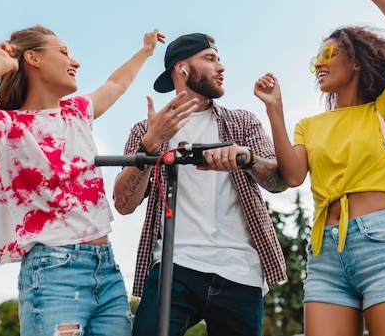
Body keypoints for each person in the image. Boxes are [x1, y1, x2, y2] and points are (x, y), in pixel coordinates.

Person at [0, 25, 165, 336]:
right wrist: (1, 64)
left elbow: (116, 83)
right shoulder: (6, 127)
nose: (76, 62)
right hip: (55, 271)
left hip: (107, 269)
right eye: (64, 52)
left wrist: (146, 50)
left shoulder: (78, 112)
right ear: (33, 58)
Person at [254, 0, 385, 336]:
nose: (319, 63)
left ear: (355, 61)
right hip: (325, 251)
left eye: (329, 54)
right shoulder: (309, 125)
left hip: (382, 242)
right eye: (316, 58)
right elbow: (293, 176)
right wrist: (275, 110)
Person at [113, 33, 289, 336]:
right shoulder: (146, 129)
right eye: (210, 58)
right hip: (173, 266)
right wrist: (151, 144)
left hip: (240, 270)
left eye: (219, 58)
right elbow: (123, 203)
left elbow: (277, 181)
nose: (221, 67)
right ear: (181, 68)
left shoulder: (242, 122)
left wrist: (246, 158)